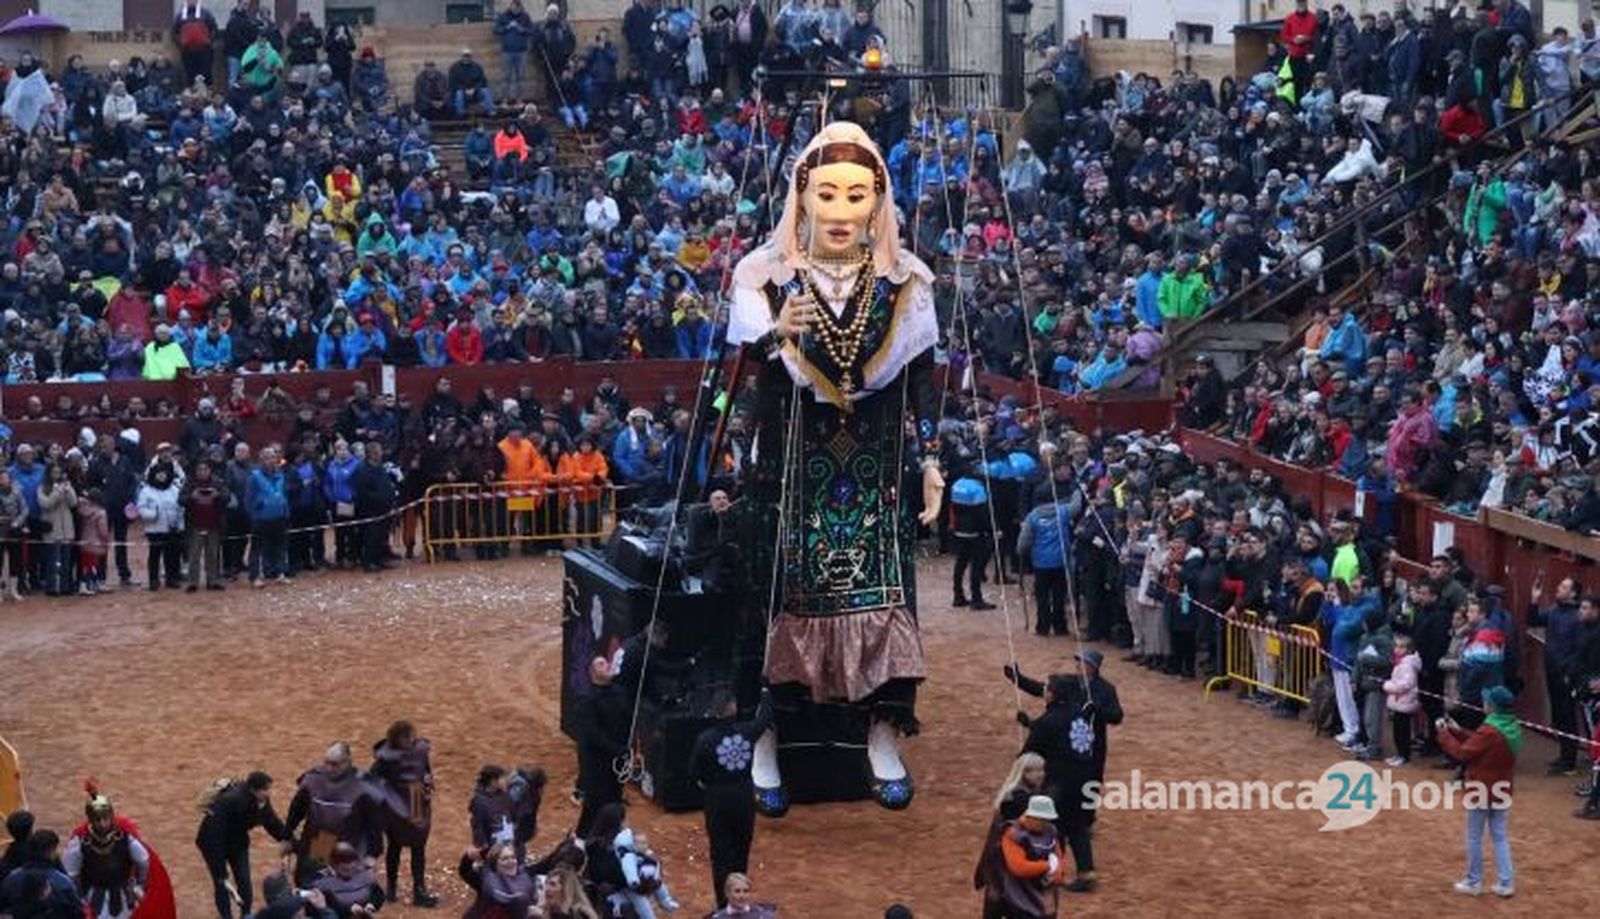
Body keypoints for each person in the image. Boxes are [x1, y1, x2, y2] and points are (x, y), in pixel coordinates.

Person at [1012, 651, 1123, 893]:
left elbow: (1031, 752)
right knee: (1077, 826)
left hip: (1059, 782)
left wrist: (1030, 731)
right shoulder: (1077, 712)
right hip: (1083, 773)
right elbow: (1062, 736)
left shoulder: (1054, 717)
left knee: (1053, 827)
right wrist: (1029, 718)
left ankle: (1052, 871)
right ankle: (1086, 873)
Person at [687, 688, 772, 908]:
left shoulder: (704, 739)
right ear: (733, 708)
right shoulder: (747, 731)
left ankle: (723, 904)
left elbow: (694, 772)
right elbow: (764, 718)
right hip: (743, 797)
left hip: (717, 799)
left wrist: (711, 784)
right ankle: (739, 901)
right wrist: (765, 692)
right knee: (741, 849)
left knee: (720, 852)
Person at [1436, 685, 1520, 897]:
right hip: (1502, 788)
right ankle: (1506, 882)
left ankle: (1474, 882)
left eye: (1487, 701)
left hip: (1481, 789)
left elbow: (1463, 753)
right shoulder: (1510, 726)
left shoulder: (1490, 730)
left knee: (1474, 837)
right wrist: (1457, 730)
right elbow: (1480, 743)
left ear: (1492, 706)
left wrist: (1445, 734)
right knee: (1500, 836)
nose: (1484, 703)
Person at [195, 771, 289, 919]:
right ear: (253, 789)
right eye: (265, 789)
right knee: (221, 883)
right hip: (212, 844)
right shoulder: (230, 801)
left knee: (244, 880)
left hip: (236, 841)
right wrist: (220, 869)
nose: (268, 793)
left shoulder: (261, 800)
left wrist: (287, 839)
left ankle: (246, 915)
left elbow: (271, 822)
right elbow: (214, 834)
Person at [285, 742, 382, 887]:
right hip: (323, 841)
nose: (329, 768)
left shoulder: (362, 785)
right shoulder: (315, 779)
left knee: (345, 888)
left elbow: (374, 822)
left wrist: (372, 854)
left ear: (347, 762)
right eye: (327, 763)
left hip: (350, 843)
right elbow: (297, 808)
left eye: (334, 764)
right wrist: (287, 836)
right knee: (314, 882)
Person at [369, 721, 437, 907]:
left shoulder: (420, 750)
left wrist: (428, 779)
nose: (410, 740)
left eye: (411, 735)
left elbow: (426, 769)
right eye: (405, 737)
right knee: (395, 845)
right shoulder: (385, 758)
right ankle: (391, 888)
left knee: (418, 846)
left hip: (416, 801)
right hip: (396, 805)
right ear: (395, 739)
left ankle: (419, 890)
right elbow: (372, 779)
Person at [973, 753, 1046, 918]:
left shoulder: (1013, 795)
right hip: (1012, 865)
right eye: (1036, 771)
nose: (1041, 774)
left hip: (1002, 865)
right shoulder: (1021, 799)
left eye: (1042, 770)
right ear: (1025, 773)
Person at [63, 790, 152, 919]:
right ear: (90, 819)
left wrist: (140, 885)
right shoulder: (80, 843)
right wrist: (80, 899)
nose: (103, 823)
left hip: (124, 897)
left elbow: (143, 861)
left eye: (106, 818)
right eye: (98, 819)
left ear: (111, 815)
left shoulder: (125, 838)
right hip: (93, 898)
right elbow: (71, 874)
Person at [994, 796, 1068, 919]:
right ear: (1032, 816)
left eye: (1047, 819)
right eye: (1042, 819)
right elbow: (1018, 867)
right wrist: (1047, 866)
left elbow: (1057, 853)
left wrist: (1058, 872)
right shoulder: (1014, 834)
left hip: (1044, 891)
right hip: (1019, 892)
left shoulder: (1051, 830)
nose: (1045, 823)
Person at [1018, 490, 1072, 636]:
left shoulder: (1033, 516)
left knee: (1042, 597)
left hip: (1041, 563)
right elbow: (1077, 505)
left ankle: (1043, 627)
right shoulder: (1063, 512)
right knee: (1059, 596)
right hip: (1060, 561)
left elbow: (1024, 540)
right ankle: (1060, 626)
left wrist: (1021, 552)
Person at [246, 444, 292, 587]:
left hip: (279, 517)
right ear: (261, 460)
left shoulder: (280, 475)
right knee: (257, 549)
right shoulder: (254, 477)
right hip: (261, 519)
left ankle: (280, 573)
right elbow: (248, 500)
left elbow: (284, 495)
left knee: (280, 547)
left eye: (273, 457)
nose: (271, 460)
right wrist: (255, 514)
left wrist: (286, 511)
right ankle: (254, 577)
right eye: (267, 458)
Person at [137, 460, 185, 591]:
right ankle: (153, 579)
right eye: (159, 474)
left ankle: (172, 578)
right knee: (155, 555)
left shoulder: (174, 489)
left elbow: (181, 507)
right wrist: (153, 514)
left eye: (164, 474)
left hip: (172, 528)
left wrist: (179, 522)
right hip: (155, 529)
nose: (162, 476)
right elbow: (141, 509)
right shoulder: (146, 491)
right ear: (153, 475)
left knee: (172, 555)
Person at [350, 443, 398, 572]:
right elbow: (362, 492)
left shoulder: (380, 468)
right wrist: (377, 500)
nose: (381, 453)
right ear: (371, 454)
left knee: (381, 536)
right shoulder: (362, 470)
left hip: (384, 509)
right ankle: (368, 562)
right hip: (370, 511)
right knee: (371, 536)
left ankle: (378, 559)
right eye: (378, 451)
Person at [457, 842, 535, 919]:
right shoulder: (487, 881)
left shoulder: (525, 879)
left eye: (513, 857)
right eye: (504, 859)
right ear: (495, 865)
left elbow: (545, 865)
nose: (510, 861)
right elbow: (465, 871)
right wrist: (471, 856)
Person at [311, 843, 384, 918]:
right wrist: (349, 909)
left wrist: (372, 904)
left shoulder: (365, 875)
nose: (349, 872)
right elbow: (320, 908)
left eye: (352, 868)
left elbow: (378, 894)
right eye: (344, 869)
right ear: (334, 866)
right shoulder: (323, 882)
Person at [1381, 633, 1422, 766]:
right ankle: (1399, 754)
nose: (1398, 650)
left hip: (1404, 701)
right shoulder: (1401, 663)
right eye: (1396, 647)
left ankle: (1404, 755)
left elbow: (1406, 684)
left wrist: (1389, 686)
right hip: (1399, 701)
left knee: (1402, 731)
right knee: (1397, 730)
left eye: (1401, 647)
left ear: (1408, 649)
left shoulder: (1407, 665)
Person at [706, 872, 775, 919]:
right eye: (737, 891)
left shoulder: (764, 916)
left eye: (746, 891)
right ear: (727, 893)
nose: (742, 896)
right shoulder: (718, 918)